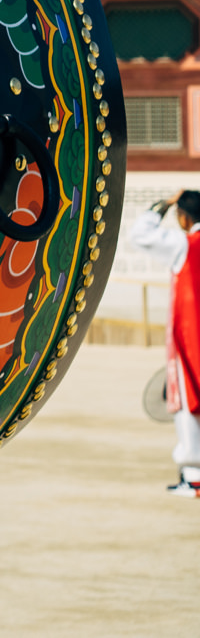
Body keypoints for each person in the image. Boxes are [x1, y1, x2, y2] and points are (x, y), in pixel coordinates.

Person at [132, 190, 200, 497]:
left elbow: (140, 234)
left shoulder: (184, 245)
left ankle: (194, 476)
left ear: (184, 218)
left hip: (192, 336)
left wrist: (162, 206)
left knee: (189, 402)